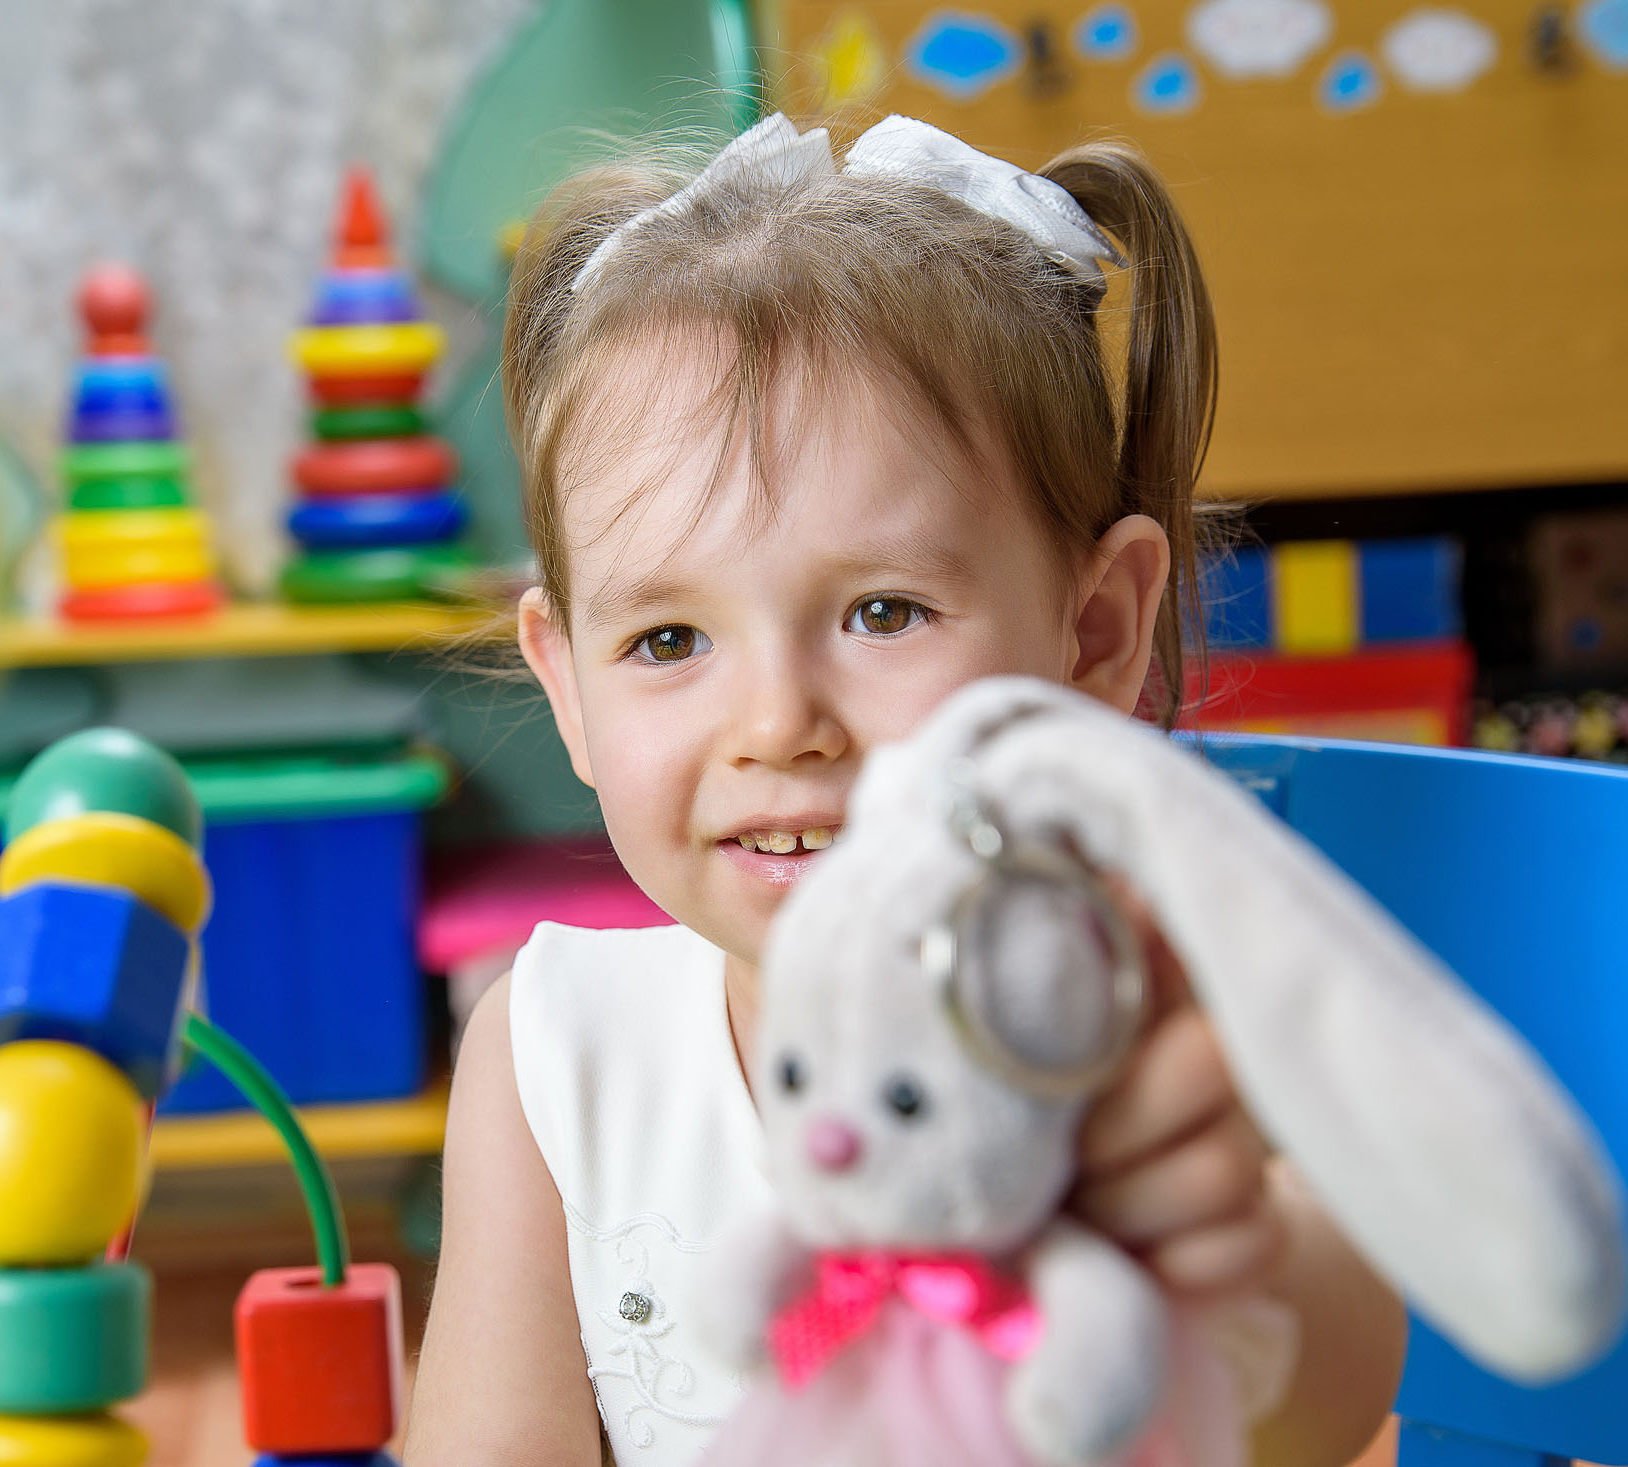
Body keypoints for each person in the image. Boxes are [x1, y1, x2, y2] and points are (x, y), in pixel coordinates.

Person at [403, 114, 1406, 1466]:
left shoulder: (1158, 998)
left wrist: (1228, 1248)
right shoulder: (557, 1051)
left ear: (1096, 633)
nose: (778, 725)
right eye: (669, 639)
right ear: (569, 687)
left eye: (883, 613)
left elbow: (1334, 1393)